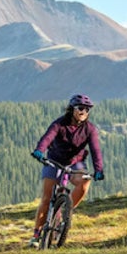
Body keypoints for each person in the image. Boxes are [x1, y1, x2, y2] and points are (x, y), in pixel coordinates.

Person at [29, 94, 105, 246]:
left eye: (87, 109)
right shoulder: (59, 124)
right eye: (81, 108)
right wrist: (39, 150)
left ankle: (66, 210)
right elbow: (47, 138)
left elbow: (95, 150)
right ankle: (36, 234)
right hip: (54, 161)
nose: (84, 112)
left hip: (75, 163)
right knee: (46, 199)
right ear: (72, 109)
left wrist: (99, 169)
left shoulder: (89, 129)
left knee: (84, 183)